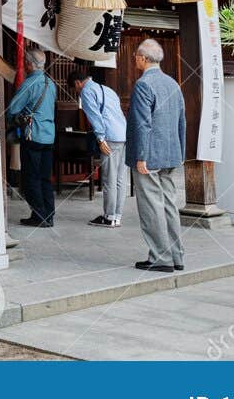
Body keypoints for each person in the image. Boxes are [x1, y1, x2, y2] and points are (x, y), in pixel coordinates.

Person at [127, 39, 185, 272]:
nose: (135, 60)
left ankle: (161, 258)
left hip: (149, 155)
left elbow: (142, 124)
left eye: (136, 57)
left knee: (151, 205)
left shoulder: (143, 85)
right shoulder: (173, 84)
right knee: (169, 204)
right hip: (170, 153)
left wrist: (141, 157)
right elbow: (182, 121)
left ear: (143, 58)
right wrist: (180, 151)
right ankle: (177, 255)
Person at [6, 47, 57, 228]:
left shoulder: (29, 84)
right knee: (45, 177)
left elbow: (12, 109)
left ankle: (39, 216)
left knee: (31, 178)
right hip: (49, 136)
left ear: (28, 64)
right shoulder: (51, 83)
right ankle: (48, 215)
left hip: (32, 135)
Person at [72, 66, 127, 227]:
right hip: (123, 135)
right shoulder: (108, 90)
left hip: (109, 137)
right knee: (120, 179)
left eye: (75, 88)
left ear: (78, 83)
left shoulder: (87, 92)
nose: (76, 91)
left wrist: (100, 139)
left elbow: (95, 117)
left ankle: (109, 217)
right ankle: (117, 216)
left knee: (109, 179)